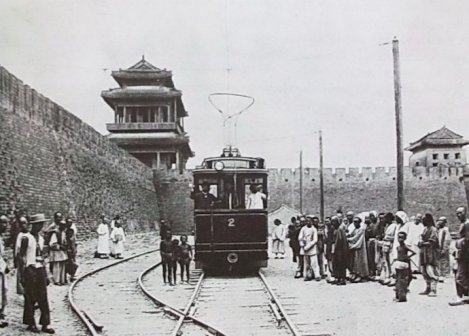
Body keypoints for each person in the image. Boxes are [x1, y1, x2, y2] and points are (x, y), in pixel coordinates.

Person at [20, 213, 55, 334]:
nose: (40, 226)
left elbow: (43, 256)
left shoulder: (41, 238)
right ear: (33, 225)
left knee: (43, 296)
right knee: (30, 297)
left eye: (42, 224)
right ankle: (31, 322)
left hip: (40, 268)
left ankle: (45, 323)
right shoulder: (26, 238)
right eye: (38, 224)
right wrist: (22, 274)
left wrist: (46, 274)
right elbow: (22, 257)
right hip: (30, 269)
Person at [449, 206, 469, 306]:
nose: (458, 215)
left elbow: (466, 240)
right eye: (457, 213)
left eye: (460, 213)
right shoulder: (462, 224)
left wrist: (459, 246)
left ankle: (460, 297)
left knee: (460, 276)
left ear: (465, 213)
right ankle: (464, 296)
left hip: (465, 254)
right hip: (462, 253)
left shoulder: (467, 224)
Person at [419, 213, 439, 297]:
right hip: (424, 252)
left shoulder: (433, 229)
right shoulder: (425, 229)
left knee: (430, 270)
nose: (422, 222)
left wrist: (423, 243)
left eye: (424, 220)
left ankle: (433, 289)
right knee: (424, 271)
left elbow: (432, 241)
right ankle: (428, 288)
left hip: (430, 252)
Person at [393, 231, 415, 302]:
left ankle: (402, 297)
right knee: (397, 280)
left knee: (402, 280)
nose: (400, 239)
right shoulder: (398, 247)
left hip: (403, 264)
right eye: (399, 237)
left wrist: (407, 257)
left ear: (405, 238)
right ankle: (397, 295)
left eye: (402, 238)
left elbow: (413, 252)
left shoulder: (405, 246)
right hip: (398, 263)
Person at [347, 216, 369, 282]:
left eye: (356, 222)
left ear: (359, 222)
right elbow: (351, 235)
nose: (355, 223)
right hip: (355, 247)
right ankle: (355, 274)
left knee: (359, 261)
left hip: (359, 247)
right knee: (354, 262)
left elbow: (356, 238)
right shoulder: (354, 229)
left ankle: (361, 275)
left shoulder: (361, 230)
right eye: (354, 222)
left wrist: (348, 240)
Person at [49, 220, 68, 285]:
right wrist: (60, 247)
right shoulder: (55, 233)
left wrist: (65, 245)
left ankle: (62, 280)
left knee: (62, 265)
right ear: (60, 225)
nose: (64, 227)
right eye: (63, 225)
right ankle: (56, 280)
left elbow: (64, 241)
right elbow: (52, 244)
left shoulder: (63, 232)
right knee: (57, 266)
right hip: (56, 252)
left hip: (62, 252)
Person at [380, 213, 397, 285]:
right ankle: (387, 276)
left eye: (385, 218)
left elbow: (395, 236)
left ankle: (393, 277)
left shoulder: (394, 226)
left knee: (391, 261)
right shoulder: (386, 226)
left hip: (390, 245)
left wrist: (386, 238)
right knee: (386, 261)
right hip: (385, 245)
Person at [331, 216, 348, 285]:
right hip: (336, 250)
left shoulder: (340, 230)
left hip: (340, 250)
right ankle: (338, 277)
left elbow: (340, 240)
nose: (333, 223)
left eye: (334, 221)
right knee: (336, 264)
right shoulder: (335, 230)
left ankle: (342, 279)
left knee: (341, 264)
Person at [14, 216, 29, 295]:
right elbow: (17, 249)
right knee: (21, 274)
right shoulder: (20, 236)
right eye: (21, 224)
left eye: (24, 223)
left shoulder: (29, 234)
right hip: (22, 257)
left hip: (29, 257)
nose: (23, 225)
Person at [0, 216, 9, 328]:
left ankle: (2, 315)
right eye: (3, 223)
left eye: (6, 223)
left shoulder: (1, 237)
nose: (5, 225)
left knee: (4, 290)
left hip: (1, 267)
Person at [365, 213, 377, 280]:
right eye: (370, 216)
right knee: (369, 257)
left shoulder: (377, 224)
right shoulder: (368, 226)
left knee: (374, 257)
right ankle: (370, 272)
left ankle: (374, 272)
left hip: (374, 241)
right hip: (368, 242)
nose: (371, 218)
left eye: (373, 216)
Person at [324, 217, 335, 282]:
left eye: (327, 221)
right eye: (325, 221)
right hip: (327, 246)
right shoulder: (325, 229)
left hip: (331, 246)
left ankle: (333, 275)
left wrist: (333, 249)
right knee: (328, 260)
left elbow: (333, 240)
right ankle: (330, 274)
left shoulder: (332, 229)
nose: (326, 223)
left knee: (332, 261)